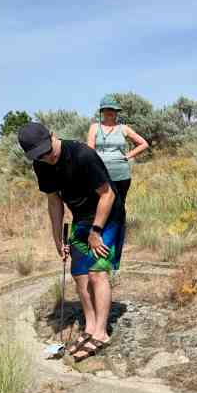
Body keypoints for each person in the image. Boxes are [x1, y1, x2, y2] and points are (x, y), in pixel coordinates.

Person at [18, 122, 125, 363]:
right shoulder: (42, 165)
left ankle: (101, 332)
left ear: (53, 135)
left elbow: (107, 194)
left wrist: (96, 231)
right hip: (81, 218)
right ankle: (89, 326)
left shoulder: (82, 155)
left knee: (97, 272)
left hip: (107, 215)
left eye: (47, 150)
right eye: (39, 155)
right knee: (79, 274)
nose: (47, 157)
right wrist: (57, 238)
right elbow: (54, 201)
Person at [86, 94, 148, 205]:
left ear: (116, 112)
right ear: (102, 111)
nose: (110, 111)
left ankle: (120, 223)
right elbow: (89, 151)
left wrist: (128, 155)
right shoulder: (95, 127)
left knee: (119, 205)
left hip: (121, 174)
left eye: (113, 109)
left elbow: (143, 144)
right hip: (100, 174)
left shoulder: (123, 128)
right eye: (107, 109)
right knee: (100, 205)